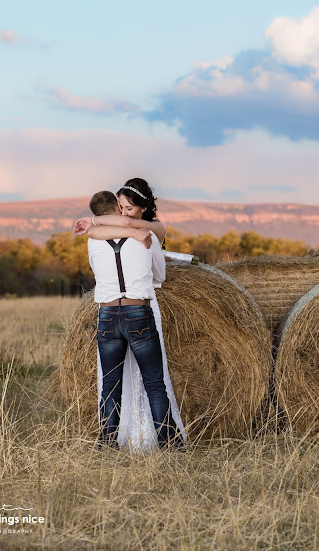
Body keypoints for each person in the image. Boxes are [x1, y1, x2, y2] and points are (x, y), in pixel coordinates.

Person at [75, 179, 186, 450]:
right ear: (117, 207)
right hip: (138, 311)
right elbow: (160, 276)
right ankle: (169, 443)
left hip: (107, 314)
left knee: (110, 385)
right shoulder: (147, 238)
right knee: (154, 383)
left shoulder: (93, 240)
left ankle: (106, 443)